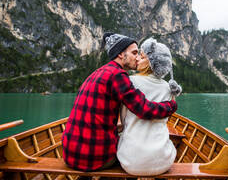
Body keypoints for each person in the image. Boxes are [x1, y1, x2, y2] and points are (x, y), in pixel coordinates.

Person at [62, 33, 178, 172]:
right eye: (134, 53)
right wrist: (171, 106)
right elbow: (144, 109)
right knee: (129, 154)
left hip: (70, 154)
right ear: (121, 55)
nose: (138, 57)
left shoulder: (99, 72)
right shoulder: (118, 75)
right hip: (94, 158)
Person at [117, 38, 182, 175]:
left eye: (142, 56)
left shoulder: (130, 82)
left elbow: (122, 121)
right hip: (163, 162)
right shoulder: (168, 88)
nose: (137, 59)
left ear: (151, 62)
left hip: (131, 163)